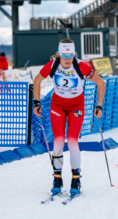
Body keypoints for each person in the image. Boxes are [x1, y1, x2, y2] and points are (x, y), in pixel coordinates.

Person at [33, 38, 105, 196]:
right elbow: (37, 80)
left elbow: (101, 83)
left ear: (74, 54)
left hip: (76, 107)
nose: (66, 59)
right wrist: (36, 103)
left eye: (70, 55)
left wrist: (98, 105)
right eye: (64, 55)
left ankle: (75, 178)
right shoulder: (52, 65)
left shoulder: (81, 66)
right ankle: (57, 178)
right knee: (58, 141)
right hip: (57, 106)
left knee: (72, 140)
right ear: (59, 54)